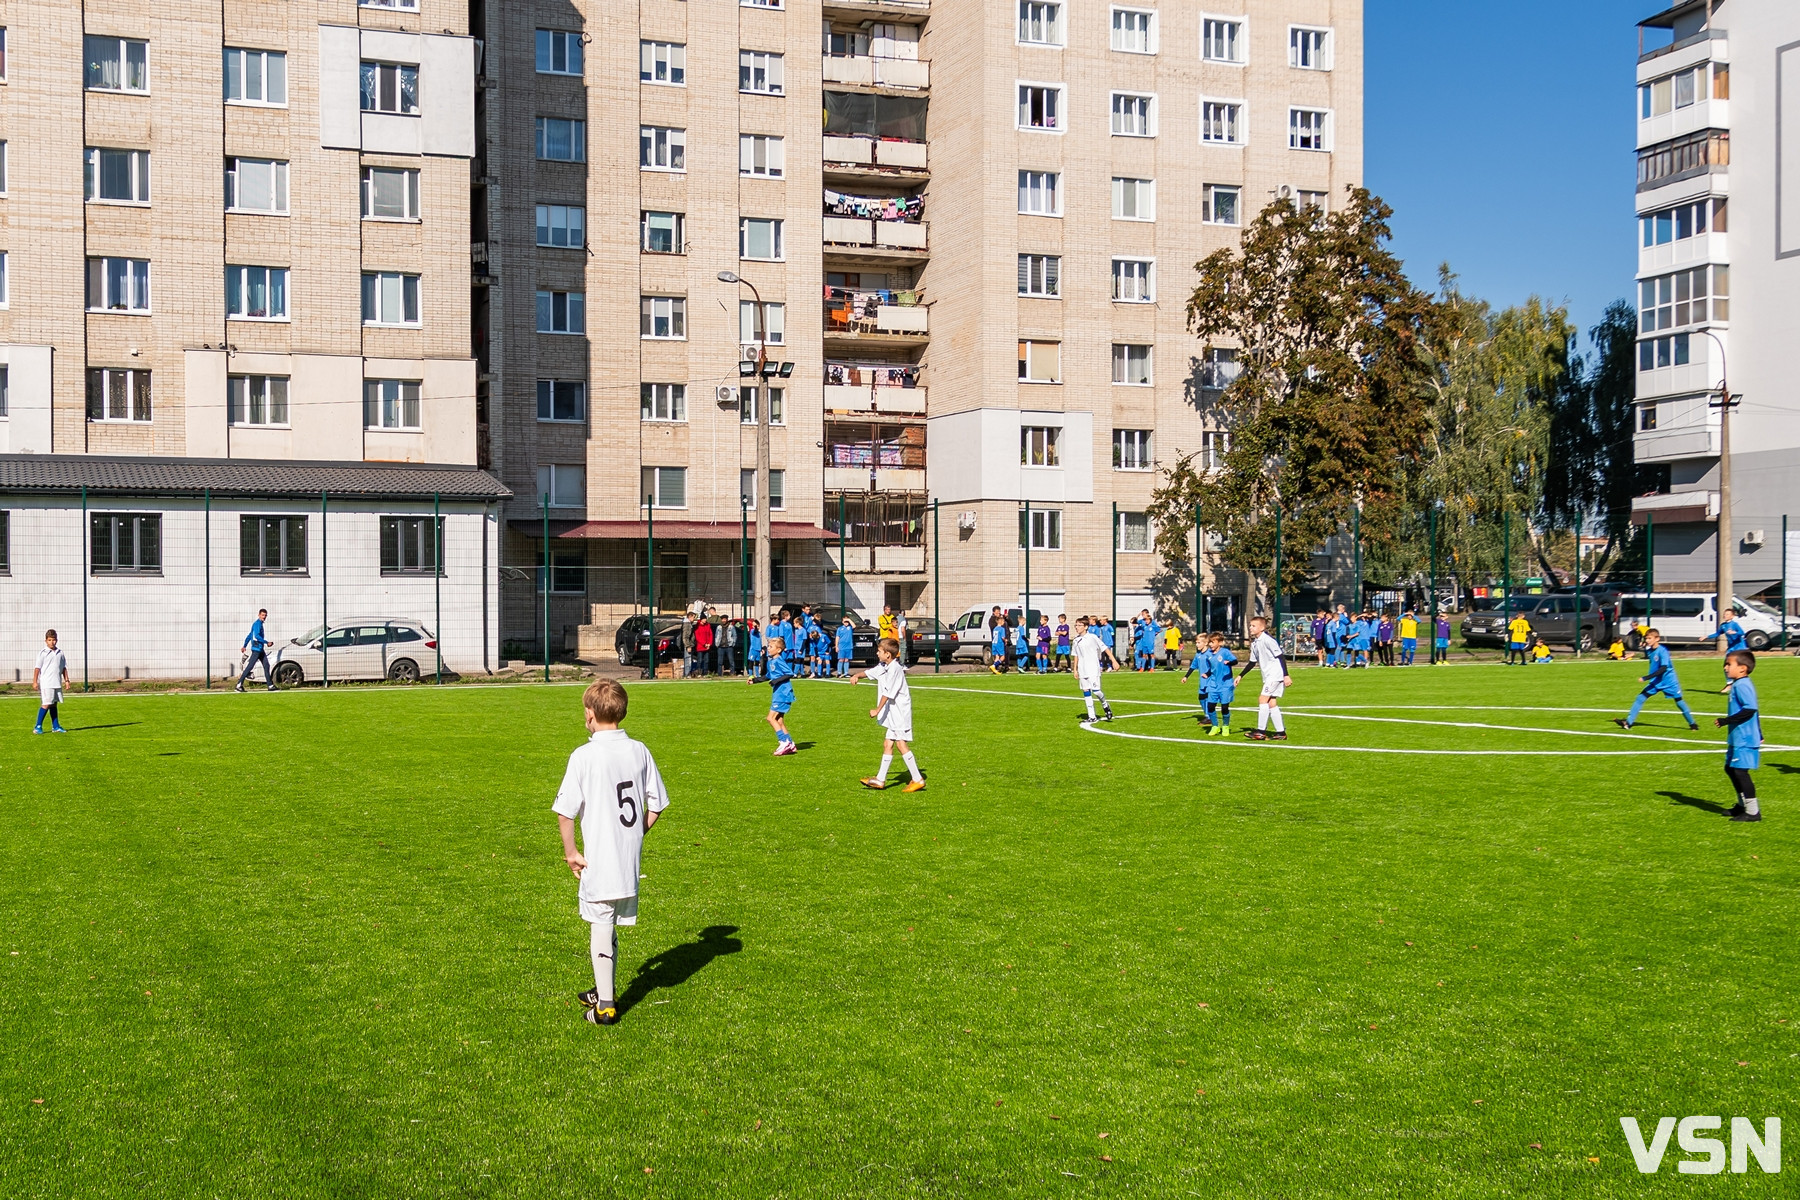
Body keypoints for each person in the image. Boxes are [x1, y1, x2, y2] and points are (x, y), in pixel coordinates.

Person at [552, 679, 669, 1027]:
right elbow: (658, 804)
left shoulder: (584, 755)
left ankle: (605, 1006)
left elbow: (565, 812)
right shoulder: (639, 749)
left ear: (589, 714)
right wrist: (634, 835)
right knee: (608, 923)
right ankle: (604, 986)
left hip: (600, 861)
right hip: (628, 862)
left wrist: (571, 853)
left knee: (600, 926)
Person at [856, 638, 926, 792]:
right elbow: (870, 672)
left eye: (879, 651)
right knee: (888, 744)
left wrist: (877, 710)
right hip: (893, 714)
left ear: (887, 654)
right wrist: (856, 676)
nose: (877, 653)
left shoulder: (895, 669)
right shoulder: (884, 666)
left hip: (900, 713)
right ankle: (880, 780)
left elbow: (888, 693)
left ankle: (917, 779)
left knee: (901, 744)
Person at [1614, 628, 1699, 731]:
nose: (1647, 640)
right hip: (1656, 682)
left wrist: (1646, 678)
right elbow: (1647, 653)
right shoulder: (1650, 650)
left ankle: (1693, 724)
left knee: (1679, 702)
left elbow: (1663, 668)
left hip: (1669, 682)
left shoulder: (1663, 651)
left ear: (1657, 639)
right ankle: (1628, 723)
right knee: (1640, 698)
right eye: (1646, 638)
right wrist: (1633, 654)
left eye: (1649, 638)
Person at [1717, 649, 1763, 821]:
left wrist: (1726, 720)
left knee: (1740, 772)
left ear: (1742, 669)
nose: (1725, 668)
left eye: (1729, 664)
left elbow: (1750, 709)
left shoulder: (1743, 685)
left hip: (1744, 737)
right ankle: (1742, 805)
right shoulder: (1737, 684)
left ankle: (1753, 812)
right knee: (1730, 768)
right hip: (1738, 737)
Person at [1241, 616, 1293, 741]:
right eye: (1250, 625)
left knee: (1262, 699)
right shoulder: (1255, 643)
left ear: (1262, 628)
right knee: (1271, 703)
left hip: (1275, 675)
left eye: (1253, 626)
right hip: (1269, 676)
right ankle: (1281, 732)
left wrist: (1286, 675)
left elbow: (1281, 657)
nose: (1250, 628)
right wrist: (1240, 675)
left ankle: (1260, 731)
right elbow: (1252, 662)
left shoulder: (1268, 640)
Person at [1072, 616, 1120, 723]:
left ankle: (1105, 704)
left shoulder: (1092, 637)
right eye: (1076, 625)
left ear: (1085, 627)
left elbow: (1105, 648)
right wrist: (1075, 669)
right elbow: (1076, 655)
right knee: (1086, 691)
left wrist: (1114, 661)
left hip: (1093, 668)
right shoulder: (1076, 640)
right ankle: (1092, 716)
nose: (1077, 627)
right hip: (1082, 669)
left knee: (1096, 691)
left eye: (1079, 625)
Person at [757, 636, 799, 755]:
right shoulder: (772, 661)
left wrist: (776, 681)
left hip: (783, 693)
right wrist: (755, 680)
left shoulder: (779, 660)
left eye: (771, 647)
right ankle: (790, 744)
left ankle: (783, 742)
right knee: (779, 720)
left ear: (779, 650)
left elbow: (789, 673)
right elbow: (768, 676)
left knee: (770, 718)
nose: (768, 649)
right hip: (779, 694)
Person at [32, 629, 70, 734]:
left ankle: (56, 726)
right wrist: (35, 681)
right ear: (46, 641)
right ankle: (37, 726)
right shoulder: (43, 653)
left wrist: (67, 680)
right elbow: (37, 668)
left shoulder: (60, 653)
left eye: (53, 640)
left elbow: (63, 668)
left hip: (56, 682)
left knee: (54, 704)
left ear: (56, 640)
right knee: (46, 704)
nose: (51, 642)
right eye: (49, 640)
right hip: (46, 683)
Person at [236, 608, 277, 692]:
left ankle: (270, 685)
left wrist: (244, 645)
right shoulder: (257, 624)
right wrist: (266, 642)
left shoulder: (258, 624)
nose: (264, 617)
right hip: (256, 649)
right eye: (262, 615)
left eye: (265, 615)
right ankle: (239, 685)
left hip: (260, 649)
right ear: (259, 615)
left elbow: (250, 635)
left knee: (266, 665)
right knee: (249, 667)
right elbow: (256, 636)